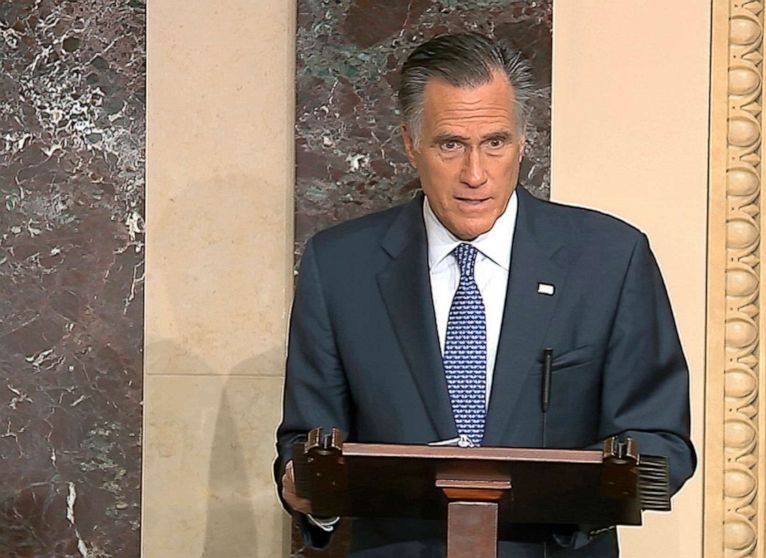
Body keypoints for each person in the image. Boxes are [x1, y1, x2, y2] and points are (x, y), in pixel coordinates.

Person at [274, 32, 695, 557]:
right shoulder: (339, 266)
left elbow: (660, 440)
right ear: (410, 143)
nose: (475, 174)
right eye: (451, 144)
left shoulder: (611, 259)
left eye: (494, 143)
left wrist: (574, 499)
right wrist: (308, 489)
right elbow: (304, 442)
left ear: (522, 141)